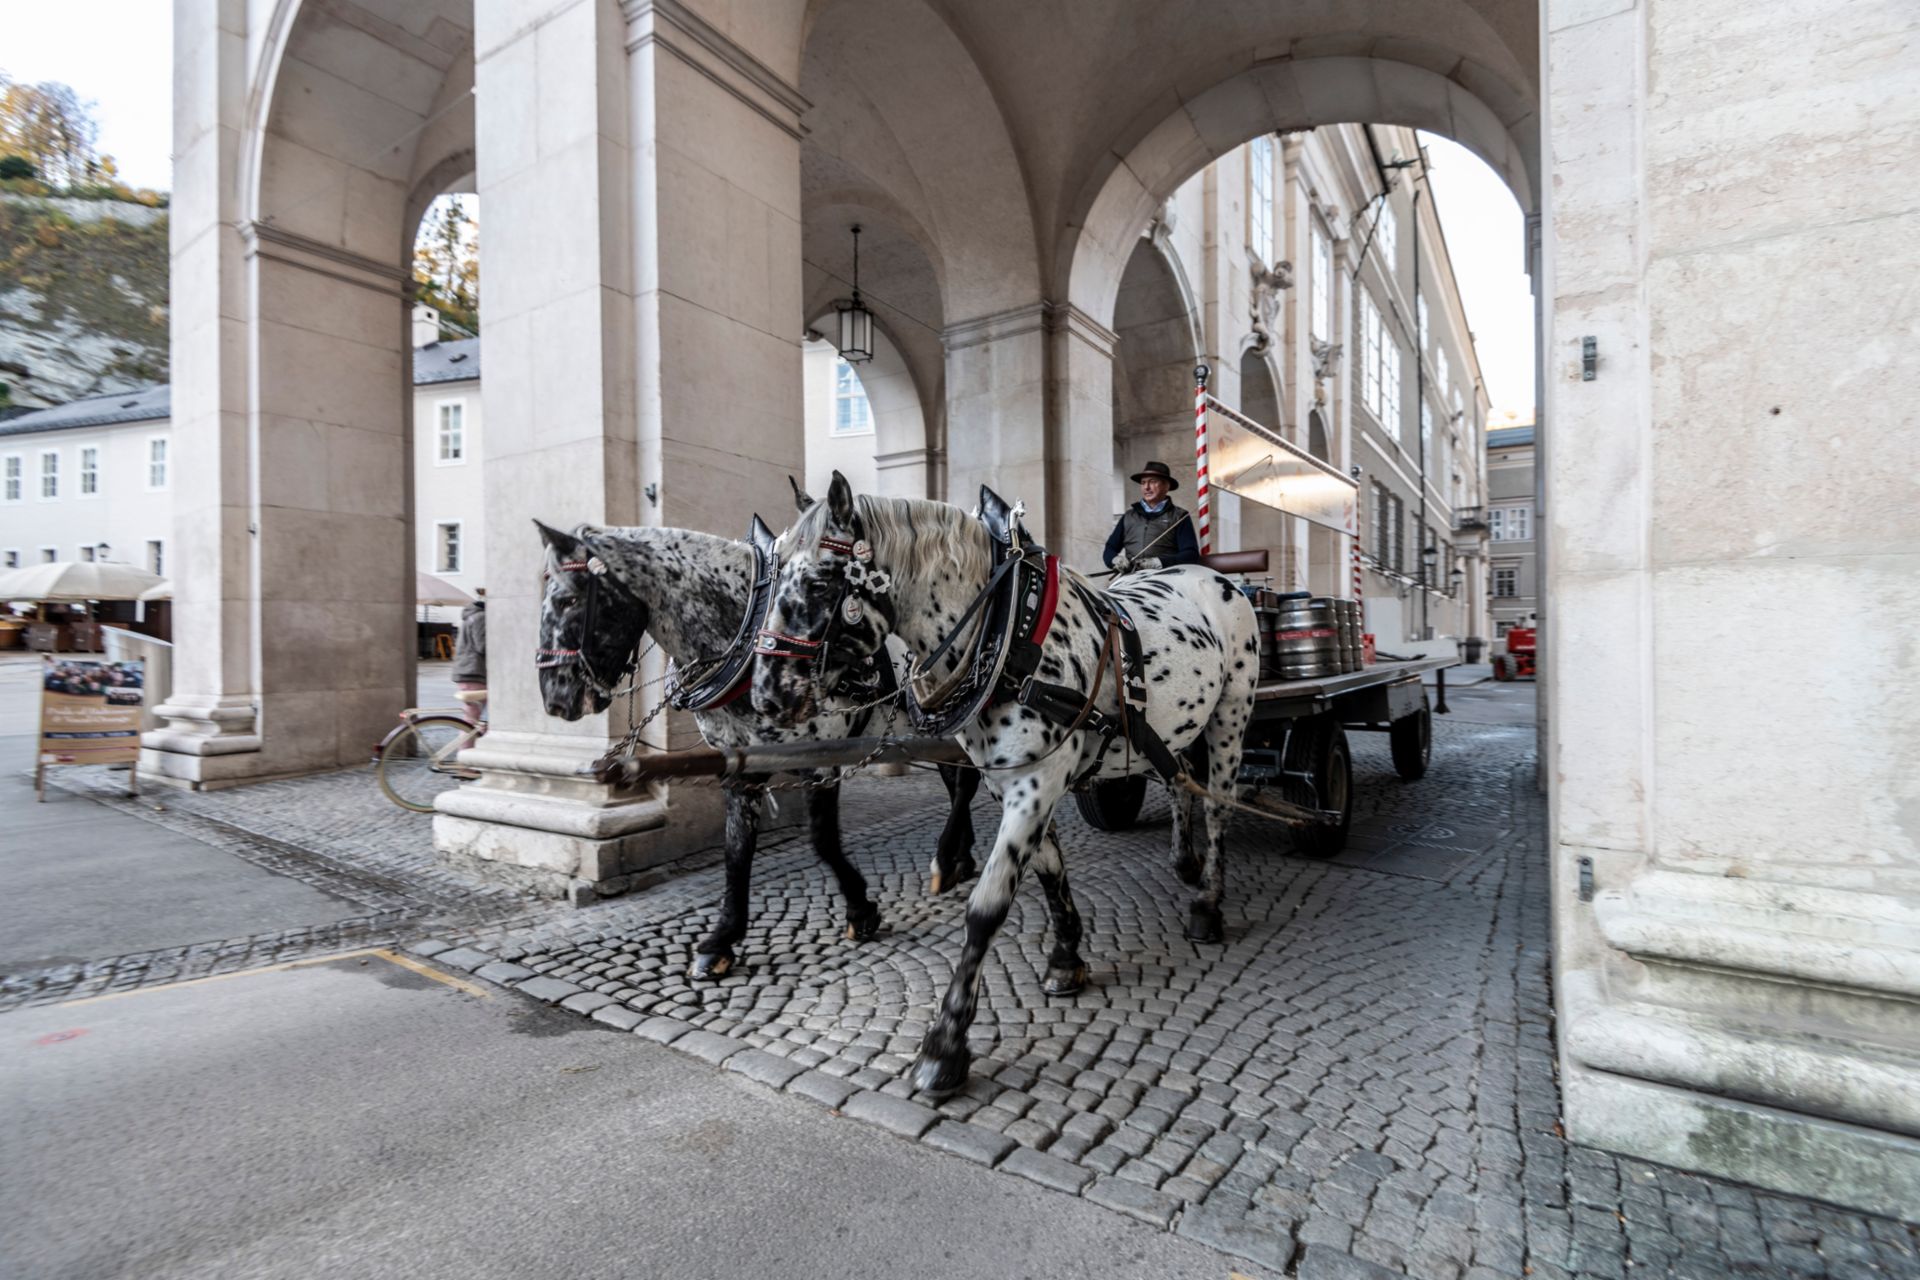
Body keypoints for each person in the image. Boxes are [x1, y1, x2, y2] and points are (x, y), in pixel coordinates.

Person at [1102, 459, 1201, 574]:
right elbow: (1110, 548)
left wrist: (1159, 562)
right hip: (1131, 577)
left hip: (1167, 576)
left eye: (1153, 482)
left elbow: (1190, 554)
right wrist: (1115, 560)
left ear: (1166, 486)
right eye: (1143, 483)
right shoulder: (1128, 516)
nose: (1147, 487)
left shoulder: (1180, 516)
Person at [451, 590, 487, 724]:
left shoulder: (470, 617)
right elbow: (482, 646)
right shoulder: (481, 617)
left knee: (472, 717)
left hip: (466, 672)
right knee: (472, 718)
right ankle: (467, 745)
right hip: (473, 672)